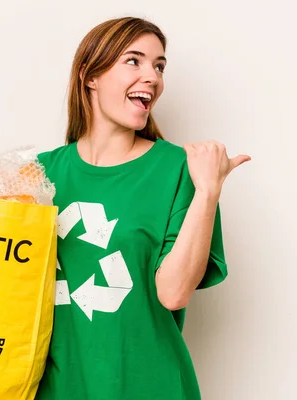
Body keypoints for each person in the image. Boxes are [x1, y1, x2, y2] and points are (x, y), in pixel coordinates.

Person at [35, 16, 251, 400]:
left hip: (150, 385)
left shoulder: (180, 170)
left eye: (159, 66)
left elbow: (173, 294)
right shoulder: (41, 174)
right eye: (133, 61)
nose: (152, 76)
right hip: (59, 387)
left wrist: (207, 192)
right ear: (90, 76)